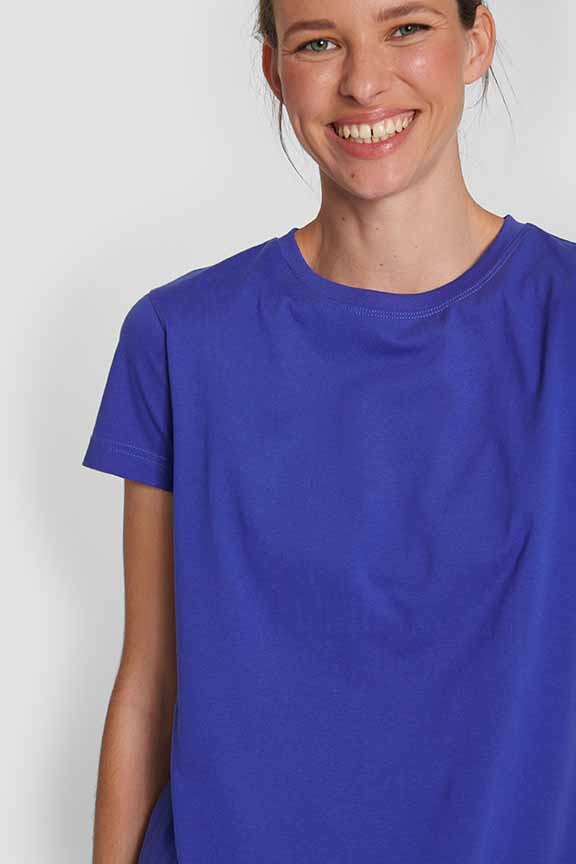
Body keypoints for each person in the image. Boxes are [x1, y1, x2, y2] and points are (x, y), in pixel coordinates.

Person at [82, 0, 576, 861]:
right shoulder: (181, 336)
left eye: (406, 28)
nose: (364, 82)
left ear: (477, 43)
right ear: (275, 72)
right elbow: (150, 680)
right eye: (318, 43)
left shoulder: (563, 319)